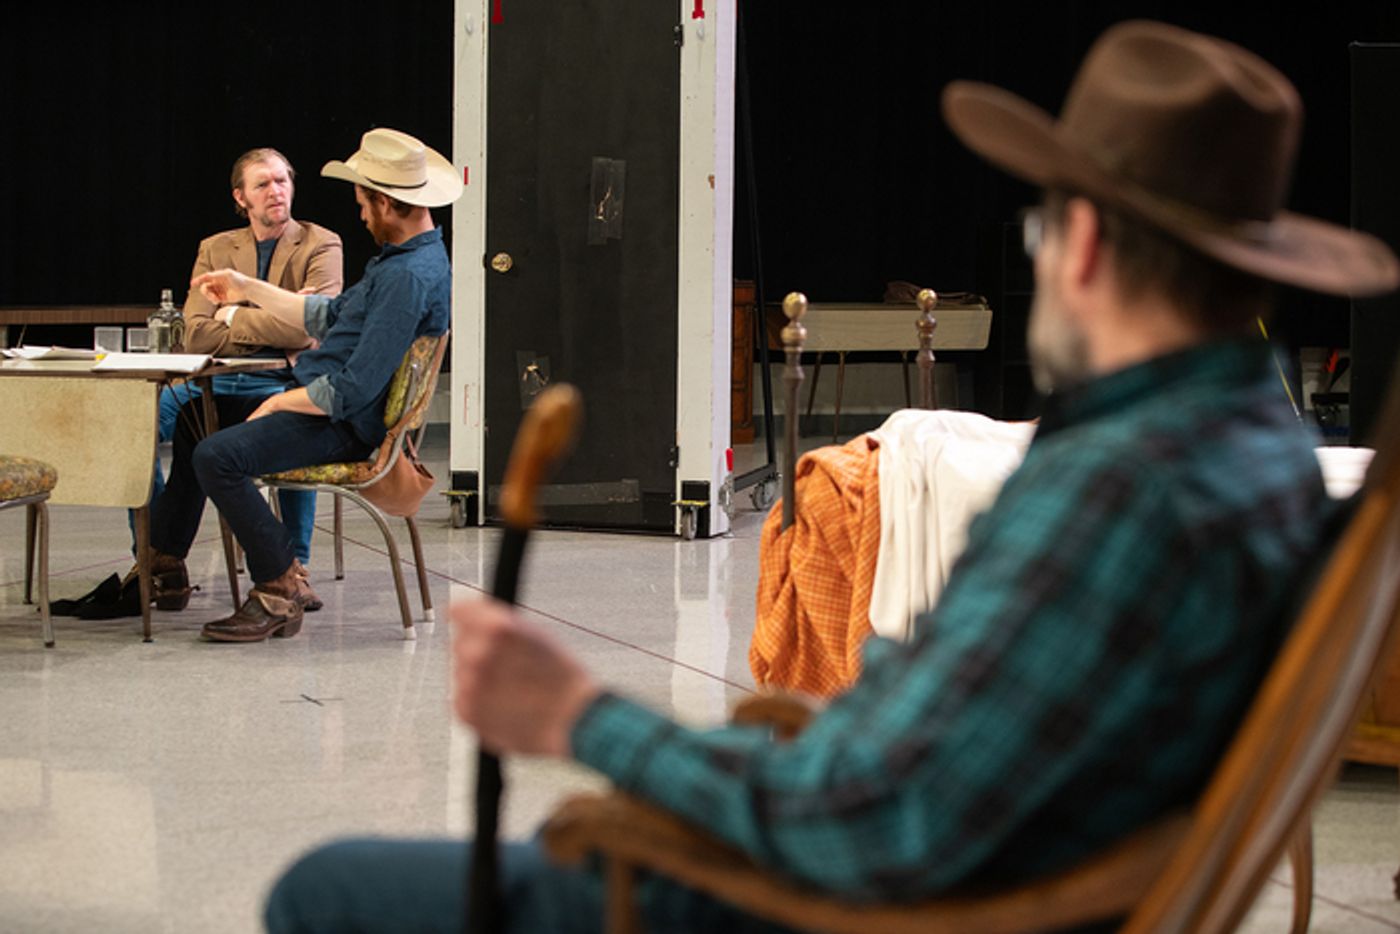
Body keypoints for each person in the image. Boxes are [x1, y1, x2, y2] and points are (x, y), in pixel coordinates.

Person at [264, 22, 1399, 933]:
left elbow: (869, 825)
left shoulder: (1114, 488)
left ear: (1088, 247)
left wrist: (578, 715)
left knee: (326, 887)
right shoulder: (1264, 457)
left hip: (844, 896)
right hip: (972, 854)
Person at [142, 127, 460, 642]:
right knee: (193, 421)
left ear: (383, 201)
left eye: (363, 204)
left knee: (216, 458)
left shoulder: (407, 278)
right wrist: (248, 288)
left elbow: (353, 389)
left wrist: (281, 403)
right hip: (334, 407)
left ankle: (278, 585)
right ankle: (163, 563)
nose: (360, 215)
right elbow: (327, 313)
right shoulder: (405, 260)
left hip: (344, 423)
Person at [54, 148, 344, 621]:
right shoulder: (216, 247)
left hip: (281, 378)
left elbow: (308, 329)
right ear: (240, 197)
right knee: (138, 424)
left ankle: (296, 565)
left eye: (282, 181)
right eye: (263, 185)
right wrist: (273, 313)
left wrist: (231, 313)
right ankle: (155, 562)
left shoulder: (320, 243)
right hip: (210, 377)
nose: (276, 191)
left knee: (267, 425)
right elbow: (196, 330)